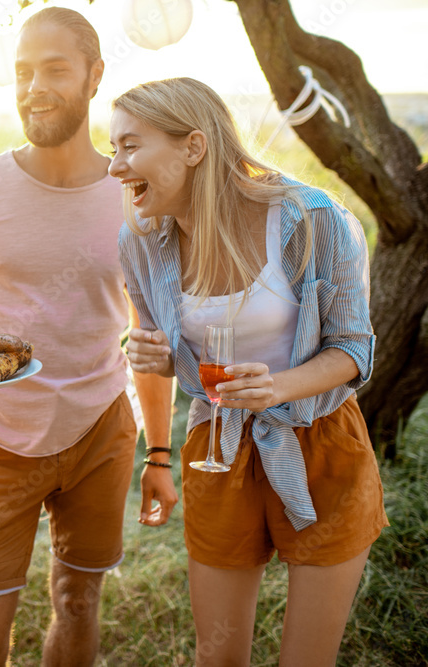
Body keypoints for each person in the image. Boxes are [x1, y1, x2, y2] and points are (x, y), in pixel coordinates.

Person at [0, 7, 177, 666]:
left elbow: (149, 335)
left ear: (94, 77)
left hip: (99, 432)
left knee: (79, 600)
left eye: (54, 69)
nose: (34, 86)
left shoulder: (134, 196)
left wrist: (161, 453)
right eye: (23, 72)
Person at [110, 76, 388, 665]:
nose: (115, 167)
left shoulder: (312, 220)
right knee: (219, 659)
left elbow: (354, 350)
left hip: (322, 445)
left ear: (193, 146)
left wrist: (277, 387)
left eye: (129, 146)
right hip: (217, 445)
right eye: (113, 148)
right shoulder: (140, 241)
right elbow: (157, 349)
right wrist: (156, 425)